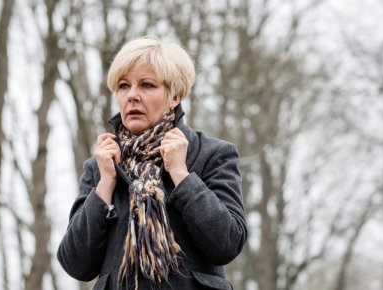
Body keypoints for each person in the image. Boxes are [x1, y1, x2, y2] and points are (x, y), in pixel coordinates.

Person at [57, 38, 247, 290]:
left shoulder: (212, 154)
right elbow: (75, 264)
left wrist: (181, 174)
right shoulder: (101, 165)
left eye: (147, 85)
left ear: (174, 96)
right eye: (124, 86)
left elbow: (227, 244)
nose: (132, 95)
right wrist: (104, 186)